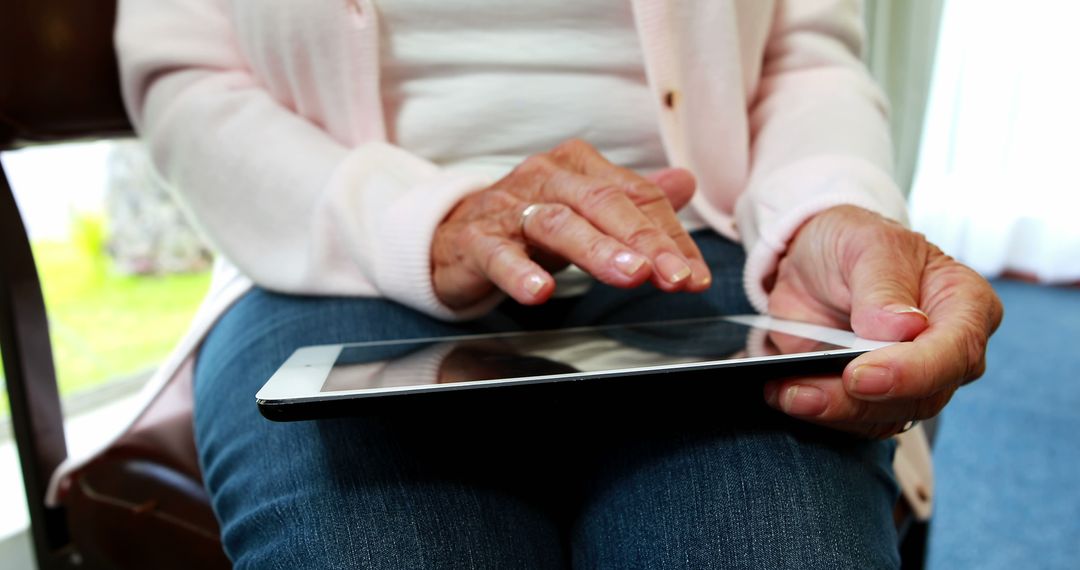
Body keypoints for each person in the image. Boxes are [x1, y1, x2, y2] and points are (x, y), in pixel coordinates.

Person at [105, 0, 1002, 568]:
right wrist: (420, 222)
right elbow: (187, 78)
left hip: (697, 244)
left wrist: (820, 210)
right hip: (327, 249)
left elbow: (804, 50)